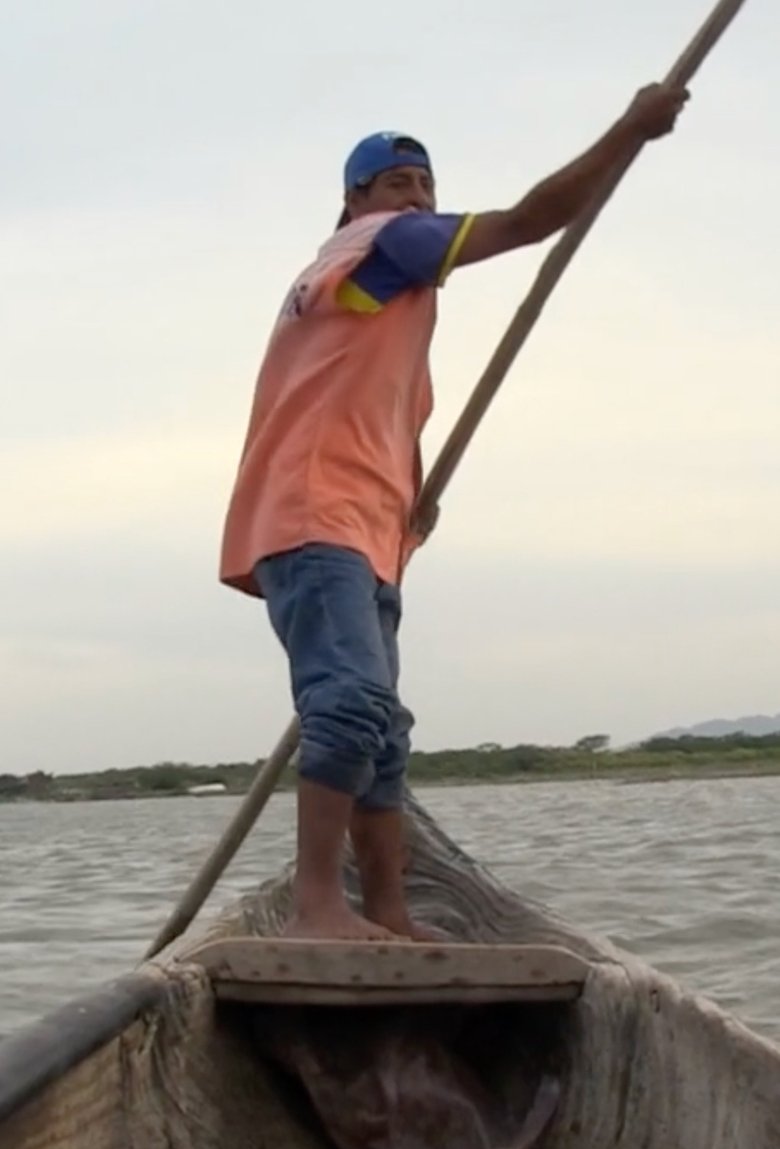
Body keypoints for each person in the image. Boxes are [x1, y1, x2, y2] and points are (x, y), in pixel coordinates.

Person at [220, 82, 689, 941]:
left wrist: (415, 497)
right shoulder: (377, 246)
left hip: (368, 527)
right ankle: (320, 907)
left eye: (427, 184)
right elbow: (527, 222)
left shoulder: (378, 295)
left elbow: (376, 410)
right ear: (356, 200)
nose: (419, 199)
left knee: (385, 732)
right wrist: (630, 130)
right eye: (398, 182)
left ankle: (390, 912)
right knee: (350, 703)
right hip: (315, 516)